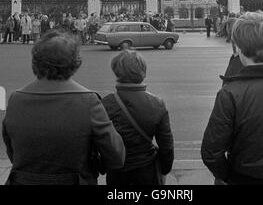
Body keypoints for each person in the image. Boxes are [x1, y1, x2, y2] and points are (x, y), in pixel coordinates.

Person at [2, 30, 125, 185]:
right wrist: (94, 167)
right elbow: (116, 155)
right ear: (74, 63)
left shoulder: (16, 99)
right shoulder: (88, 101)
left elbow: (12, 150)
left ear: (36, 62)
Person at [201, 12, 263, 185]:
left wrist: (229, 176)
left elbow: (211, 152)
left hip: (244, 177)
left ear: (239, 48)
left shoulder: (231, 93)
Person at [102, 49, 174, 185]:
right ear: (143, 72)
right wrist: (164, 169)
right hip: (146, 170)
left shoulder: (106, 103)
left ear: (117, 72)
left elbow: (100, 142)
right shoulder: (157, 104)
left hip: (117, 172)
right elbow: (166, 145)